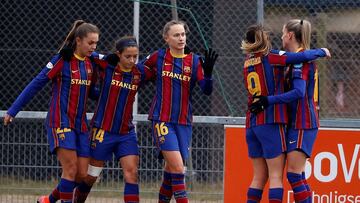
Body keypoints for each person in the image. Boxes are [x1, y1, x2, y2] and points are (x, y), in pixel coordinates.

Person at [3, 20, 100, 203]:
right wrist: (13, 109)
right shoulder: (62, 60)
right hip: (60, 121)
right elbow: (37, 83)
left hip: (80, 125)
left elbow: (92, 92)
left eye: (96, 43)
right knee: (70, 170)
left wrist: (112, 93)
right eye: (90, 43)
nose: (93, 47)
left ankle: (47, 200)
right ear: (78, 40)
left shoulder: (91, 63)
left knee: (81, 175)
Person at [242, 24, 330, 203]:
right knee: (280, 176)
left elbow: (299, 90)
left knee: (269, 177)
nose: (280, 37)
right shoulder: (273, 57)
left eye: (282, 34)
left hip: (261, 121)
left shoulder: (248, 61)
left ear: (289, 35)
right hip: (272, 121)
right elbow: (302, 57)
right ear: (265, 39)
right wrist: (322, 50)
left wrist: (267, 100)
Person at [140, 20, 218, 203]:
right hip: (162, 120)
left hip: (183, 122)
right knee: (178, 168)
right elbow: (138, 72)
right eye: (176, 35)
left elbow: (206, 90)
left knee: (170, 172)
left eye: (183, 34)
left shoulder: (195, 61)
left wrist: (208, 74)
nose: (181, 38)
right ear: (166, 38)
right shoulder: (158, 57)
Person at [71, 36, 153, 203]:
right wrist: (68, 51)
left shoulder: (140, 73)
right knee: (90, 177)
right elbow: (88, 53)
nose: (132, 60)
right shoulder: (107, 67)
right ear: (118, 54)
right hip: (102, 131)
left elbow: (160, 68)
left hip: (126, 133)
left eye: (135, 56)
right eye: (127, 56)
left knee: (132, 174)